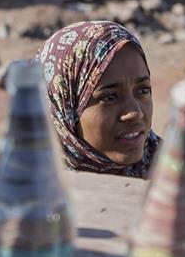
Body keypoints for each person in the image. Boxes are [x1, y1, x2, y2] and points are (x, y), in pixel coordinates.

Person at [36, 20, 160, 178]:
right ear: (63, 109)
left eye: (143, 90)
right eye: (109, 97)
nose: (135, 113)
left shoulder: (176, 175)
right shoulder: (21, 184)